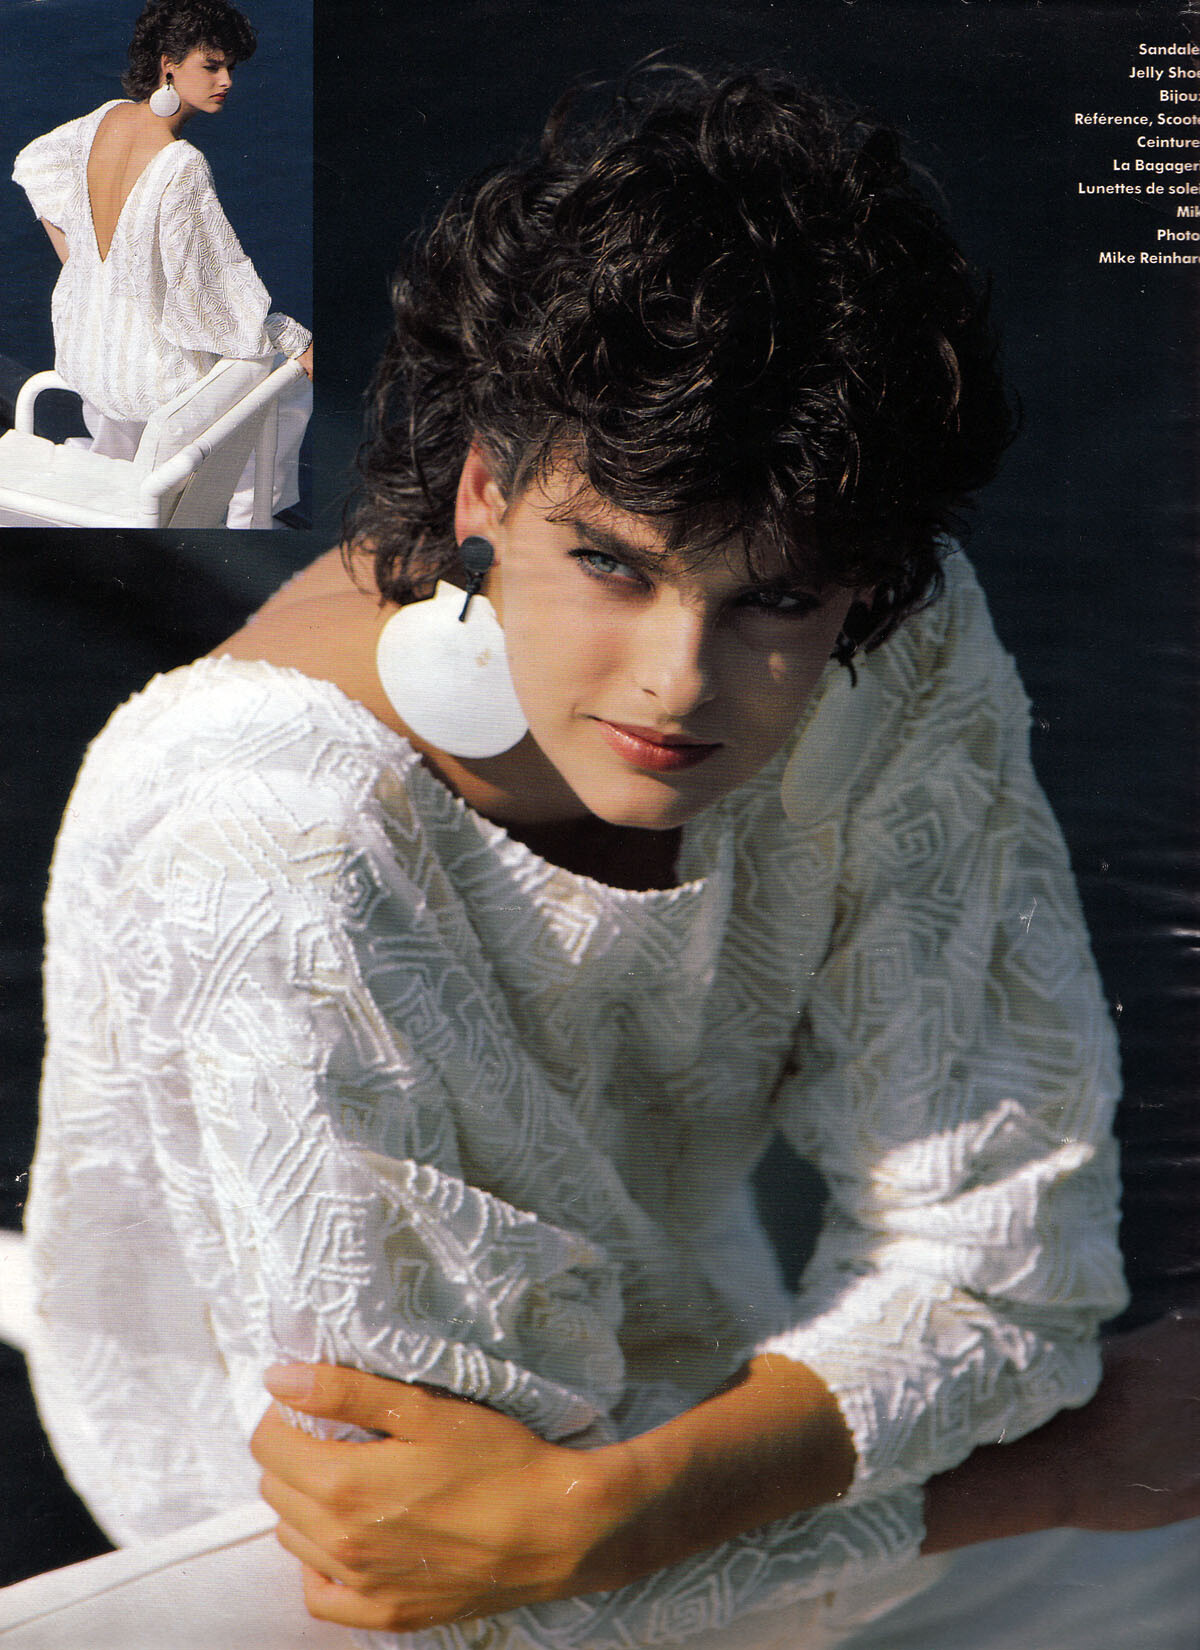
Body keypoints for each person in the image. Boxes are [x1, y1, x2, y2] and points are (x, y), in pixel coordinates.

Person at [22, 66, 1193, 1649]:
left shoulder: (887, 637)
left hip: (714, 1414)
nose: (679, 680)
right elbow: (444, 1580)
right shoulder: (267, 845)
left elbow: (1009, 1268)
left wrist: (616, 1506)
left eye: (776, 597)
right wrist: (1046, 1477)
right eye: (612, 564)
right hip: (278, 1569)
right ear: (485, 488)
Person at [10, 0, 312, 526]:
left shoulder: (102, 119)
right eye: (211, 66)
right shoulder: (182, 165)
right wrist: (293, 341)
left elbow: (34, 164)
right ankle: (247, 522)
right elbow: (215, 308)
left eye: (230, 67)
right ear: (168, 65)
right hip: (150, 384)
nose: (226, 81)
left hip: (86, 356)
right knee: (286, 373)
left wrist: (84, 269)